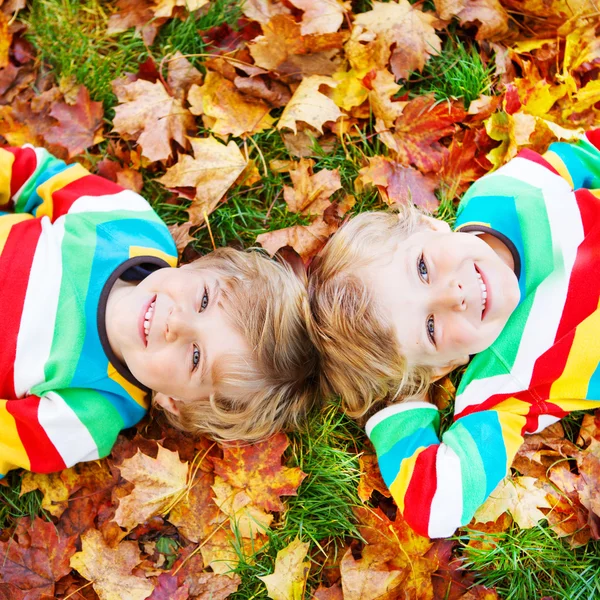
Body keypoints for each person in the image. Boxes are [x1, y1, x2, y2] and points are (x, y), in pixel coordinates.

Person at [308, 130, 600, 538]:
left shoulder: (500, 196)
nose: (452, 294)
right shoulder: (504, 381)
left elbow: (581, 157)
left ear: (429, 226)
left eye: (423, 268)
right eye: (430, 327)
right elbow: (436, 506)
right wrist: (398, 407)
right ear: (444, 366)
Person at [0, 145, 319, 477]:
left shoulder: (91, 416)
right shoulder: (131, 227)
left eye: (196, 357)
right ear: (199, 265)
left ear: (175, 403)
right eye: (205, 300)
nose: (177, 322)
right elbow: (35, 176)